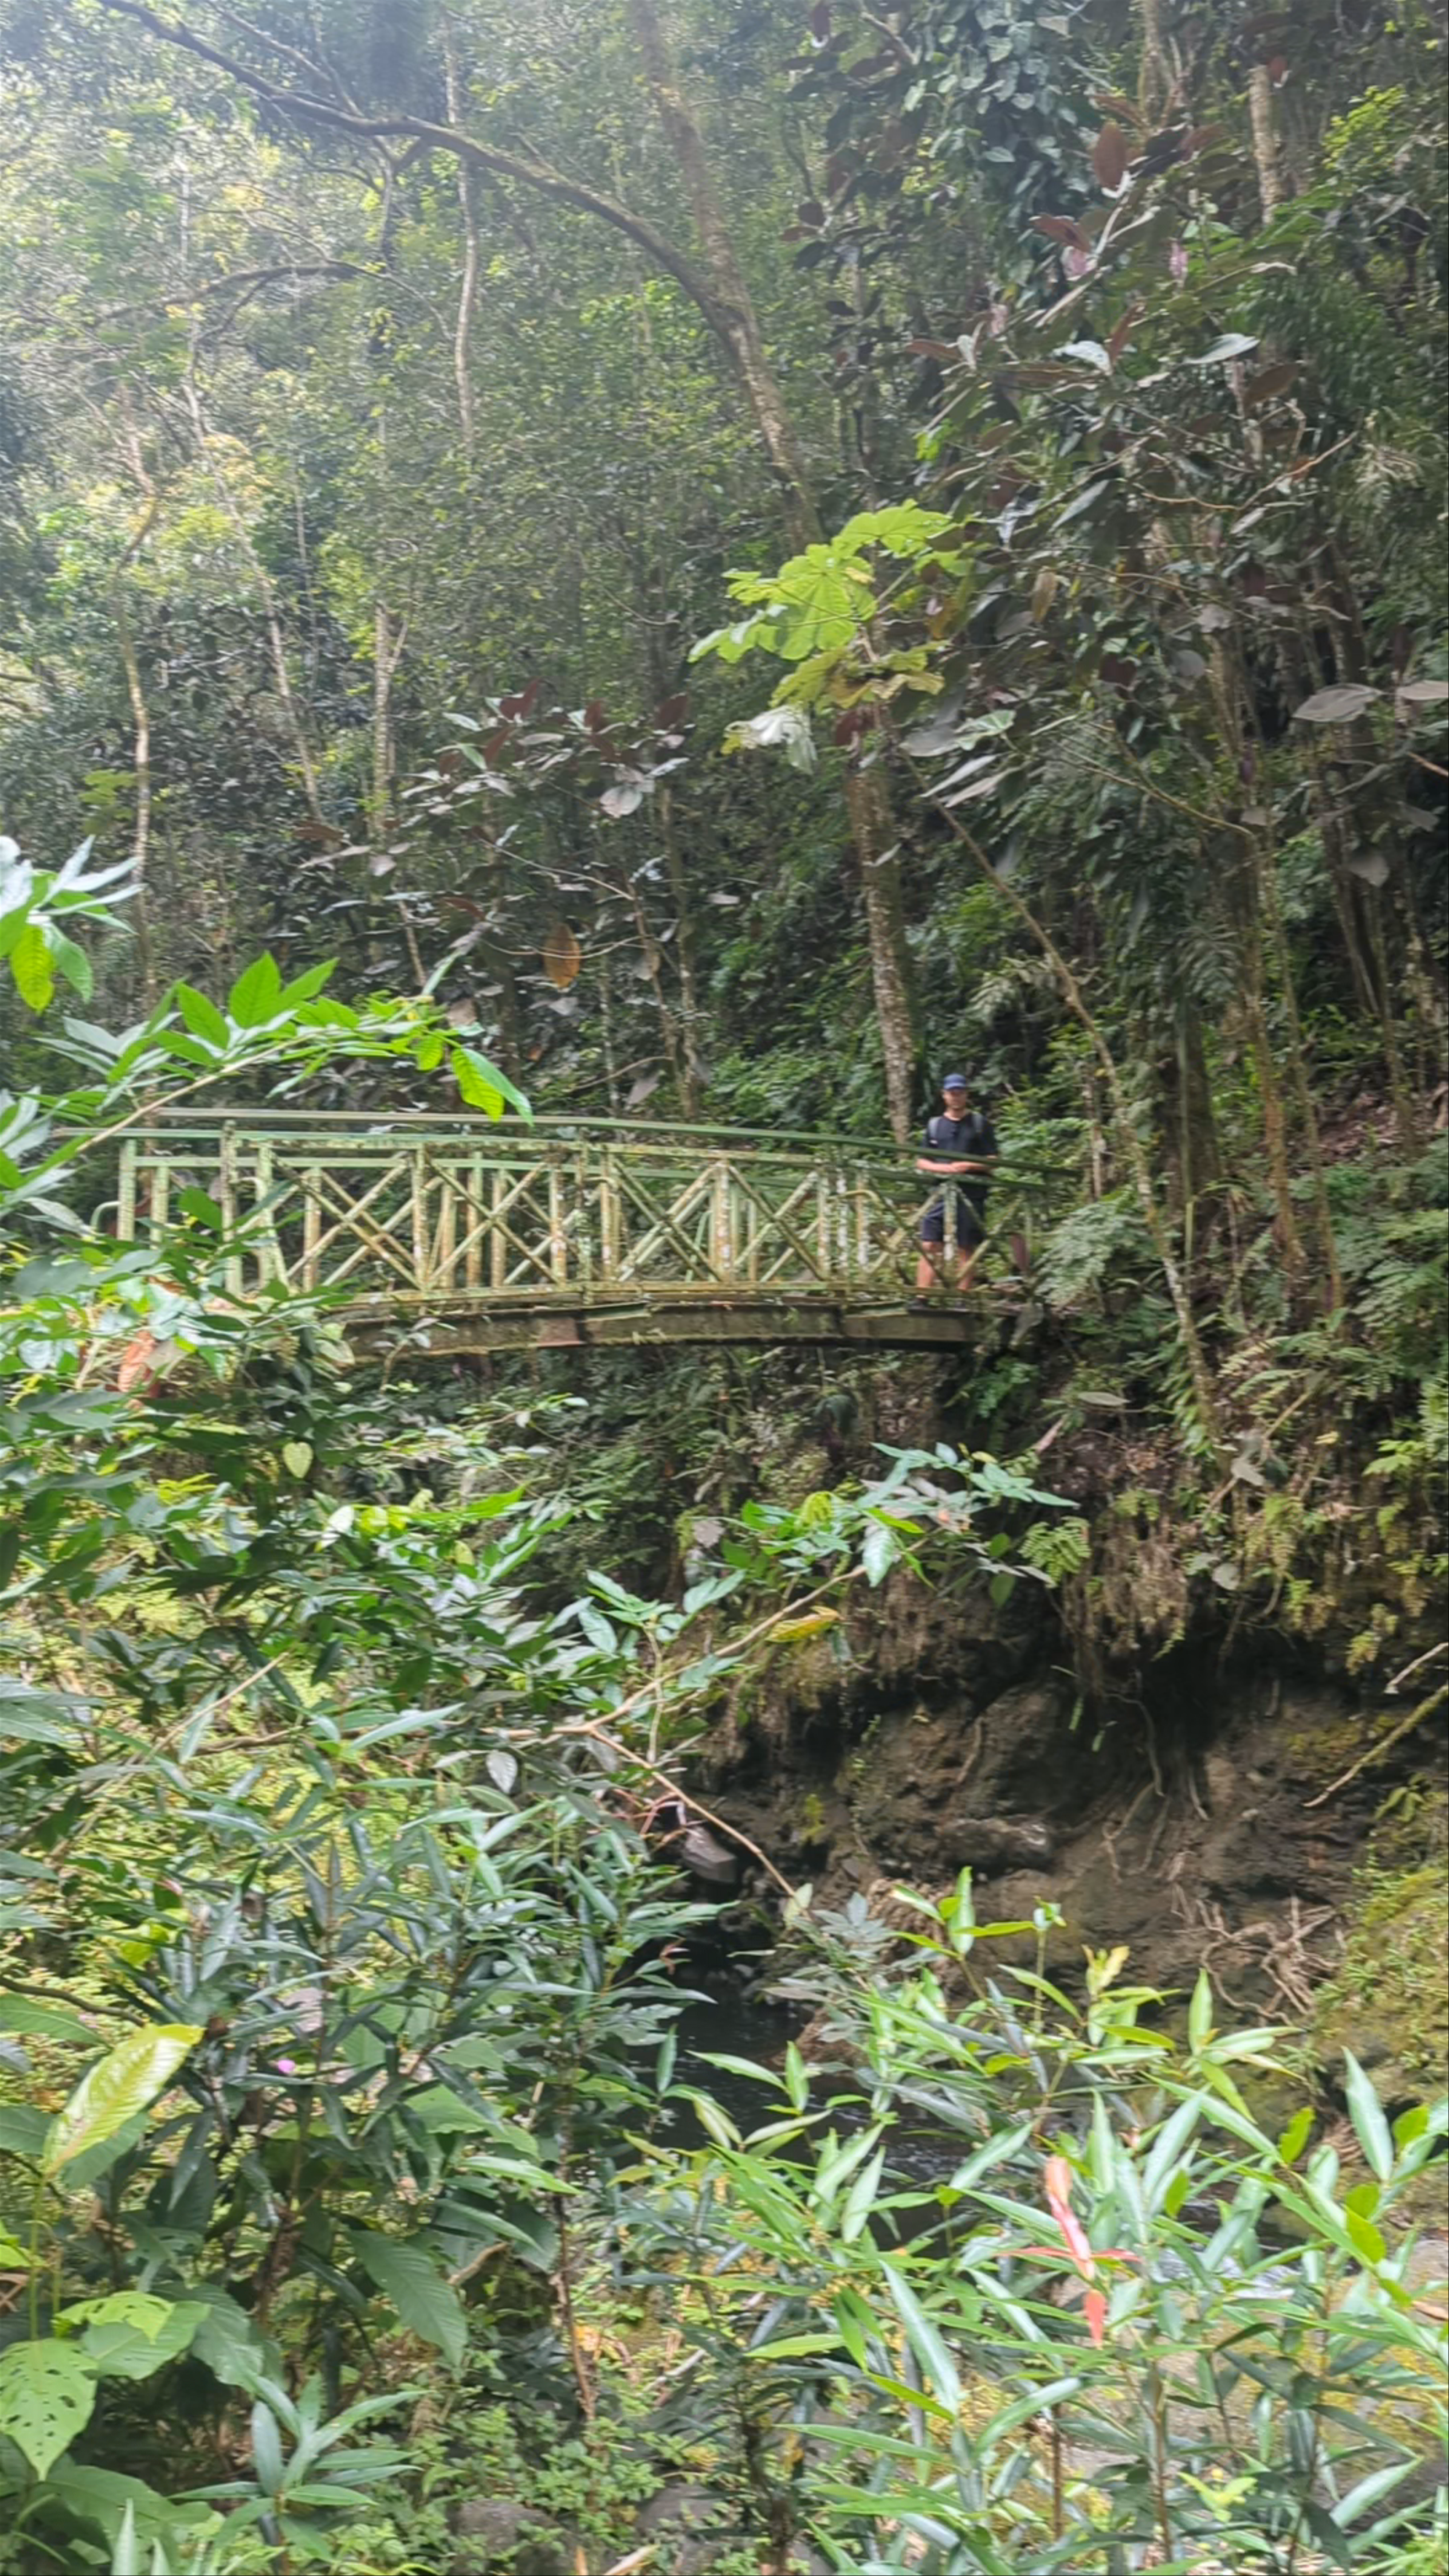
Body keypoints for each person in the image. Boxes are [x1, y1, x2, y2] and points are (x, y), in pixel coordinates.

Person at [914, 1072, 998, 1302]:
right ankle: (922, 1296)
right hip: (940, 1194)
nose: (956, 1097)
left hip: (970, 1193)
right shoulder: (934, 1125)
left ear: (966, 1095)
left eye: (960, 1093)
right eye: (952, 1093)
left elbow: (993, 1161)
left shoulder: (980, 1124)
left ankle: (963, 1296)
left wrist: (968, 1165)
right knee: (930, 1243)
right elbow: (921, 1160)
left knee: (965, 1245)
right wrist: (942, 1169)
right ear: (944, 1096)